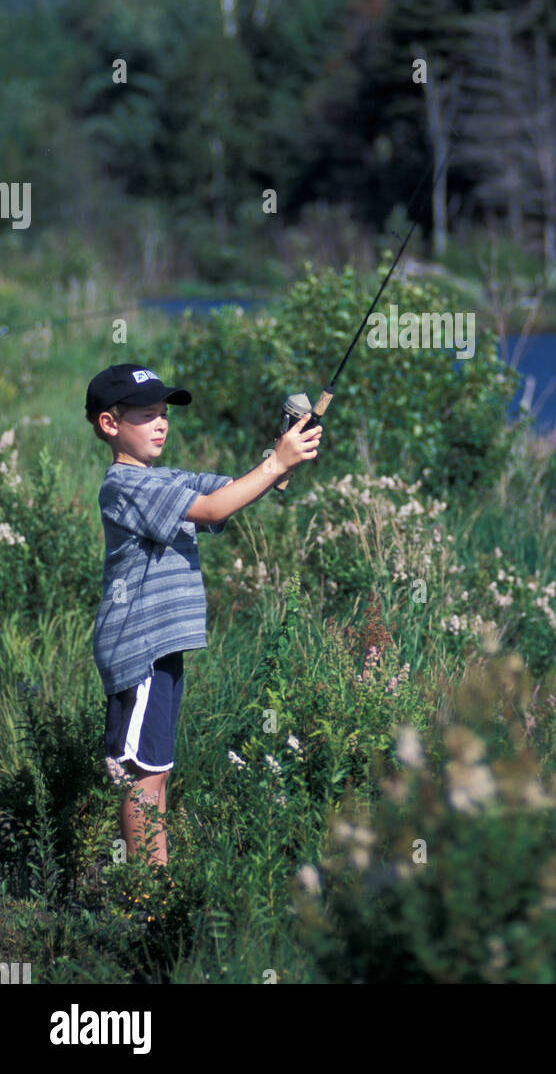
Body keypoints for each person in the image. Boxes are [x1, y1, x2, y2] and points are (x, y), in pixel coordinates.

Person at [85, 362, 321, 884]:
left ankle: (157, 891)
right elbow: (214, 511)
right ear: (109, 424)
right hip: (138, 648)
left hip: (162, 648)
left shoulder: (167, 480)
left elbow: (233, 491)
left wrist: (283, 456)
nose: (161, 423)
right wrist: (274, 465)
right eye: (146, 415)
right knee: (141, 779)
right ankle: (147, 900)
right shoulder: (124, 484)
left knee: (158, 773)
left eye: (163, 414)